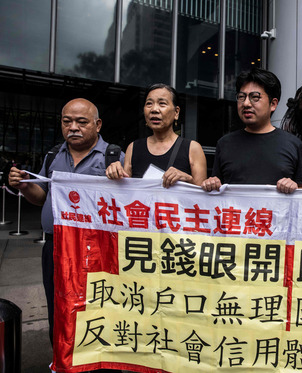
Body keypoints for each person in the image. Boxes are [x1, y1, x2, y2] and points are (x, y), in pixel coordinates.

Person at [8, 99, 124, 354]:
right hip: (56, 247)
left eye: (81, 122)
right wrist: (25, 186)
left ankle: (99, 364)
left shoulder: (113, 156)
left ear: (97, 124)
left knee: (98, 308)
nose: (73, 127)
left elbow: (129, 206)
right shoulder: (53, 155)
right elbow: (42, 197)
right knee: (58, 306)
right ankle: (63, 359)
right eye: (67, 121)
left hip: (97, 251)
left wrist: (120, 176)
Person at [201, 68, 302, 194]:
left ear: (273, 104)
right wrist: (211, 184)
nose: (246, 103)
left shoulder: (293, 144)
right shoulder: (224, 144)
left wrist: (294, 186)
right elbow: (216, 191)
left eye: (254, 97)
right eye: (241, 97)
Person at [105, 83, 207, 186]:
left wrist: (187, 179)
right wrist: (116, 174)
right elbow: (126, 192)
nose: (154, 109)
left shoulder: (192, 148)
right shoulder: (133, 148)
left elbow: (202, 196)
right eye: (149, 103)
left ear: (176, 112)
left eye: (162, 104)